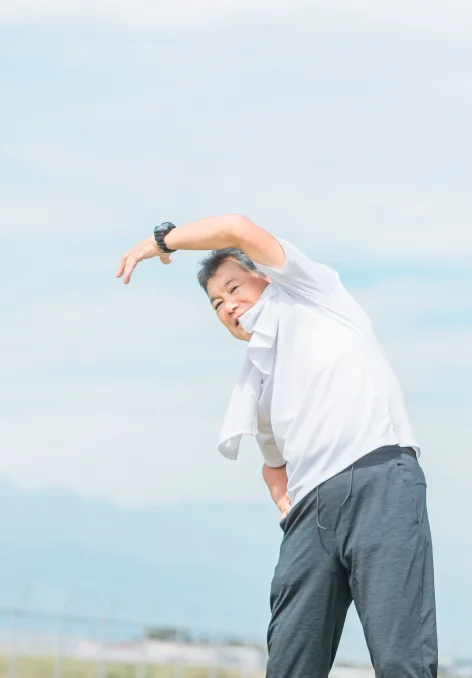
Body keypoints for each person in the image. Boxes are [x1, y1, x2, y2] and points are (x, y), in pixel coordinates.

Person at [117, 215, 438, 678]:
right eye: (217, 304)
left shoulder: (313, 294)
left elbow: (237, 228)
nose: (228, 304)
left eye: (234, 287)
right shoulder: (260, 379)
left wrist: (162, 242)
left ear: (266, 276)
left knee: (400, 659)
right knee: (290, 661)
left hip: (379, 481)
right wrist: (284, 501)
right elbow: (273, 464)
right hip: (311, 514)